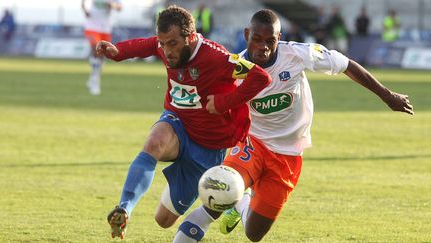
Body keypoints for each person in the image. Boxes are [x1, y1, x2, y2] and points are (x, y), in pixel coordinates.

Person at [173, 9, 413, 243]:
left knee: (254, 234)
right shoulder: (233, 69)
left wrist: (387, 95)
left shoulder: (298, 55)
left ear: (280, 38)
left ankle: (242, 201)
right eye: (257, 39)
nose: (263, 46)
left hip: (288, 154)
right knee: (217, 198)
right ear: (247, 34)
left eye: (270, 41)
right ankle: (225, 202)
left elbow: (346, 64)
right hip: (252, 143)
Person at [95, 5, 271, 239]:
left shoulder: (217, 57)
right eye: (163, 43)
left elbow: (260, 77)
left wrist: (223, 102)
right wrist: (119, 51)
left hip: (208, 146)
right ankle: (124, 208)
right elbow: (148, 45)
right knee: (155, 141)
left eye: (173, 44)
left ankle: (237, 197)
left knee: (163, 220)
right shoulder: (165, 45)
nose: (166, 51)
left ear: (189, 37)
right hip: (177, 122)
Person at [81, 0, 122, 95]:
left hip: (105, 29)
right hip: (92, 27)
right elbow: (85, 8)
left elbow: (119, 7)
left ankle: (93, 78)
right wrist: (84, 8)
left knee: (102, 56)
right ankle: (95, 82)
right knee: (96, 49)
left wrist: (112, 5)